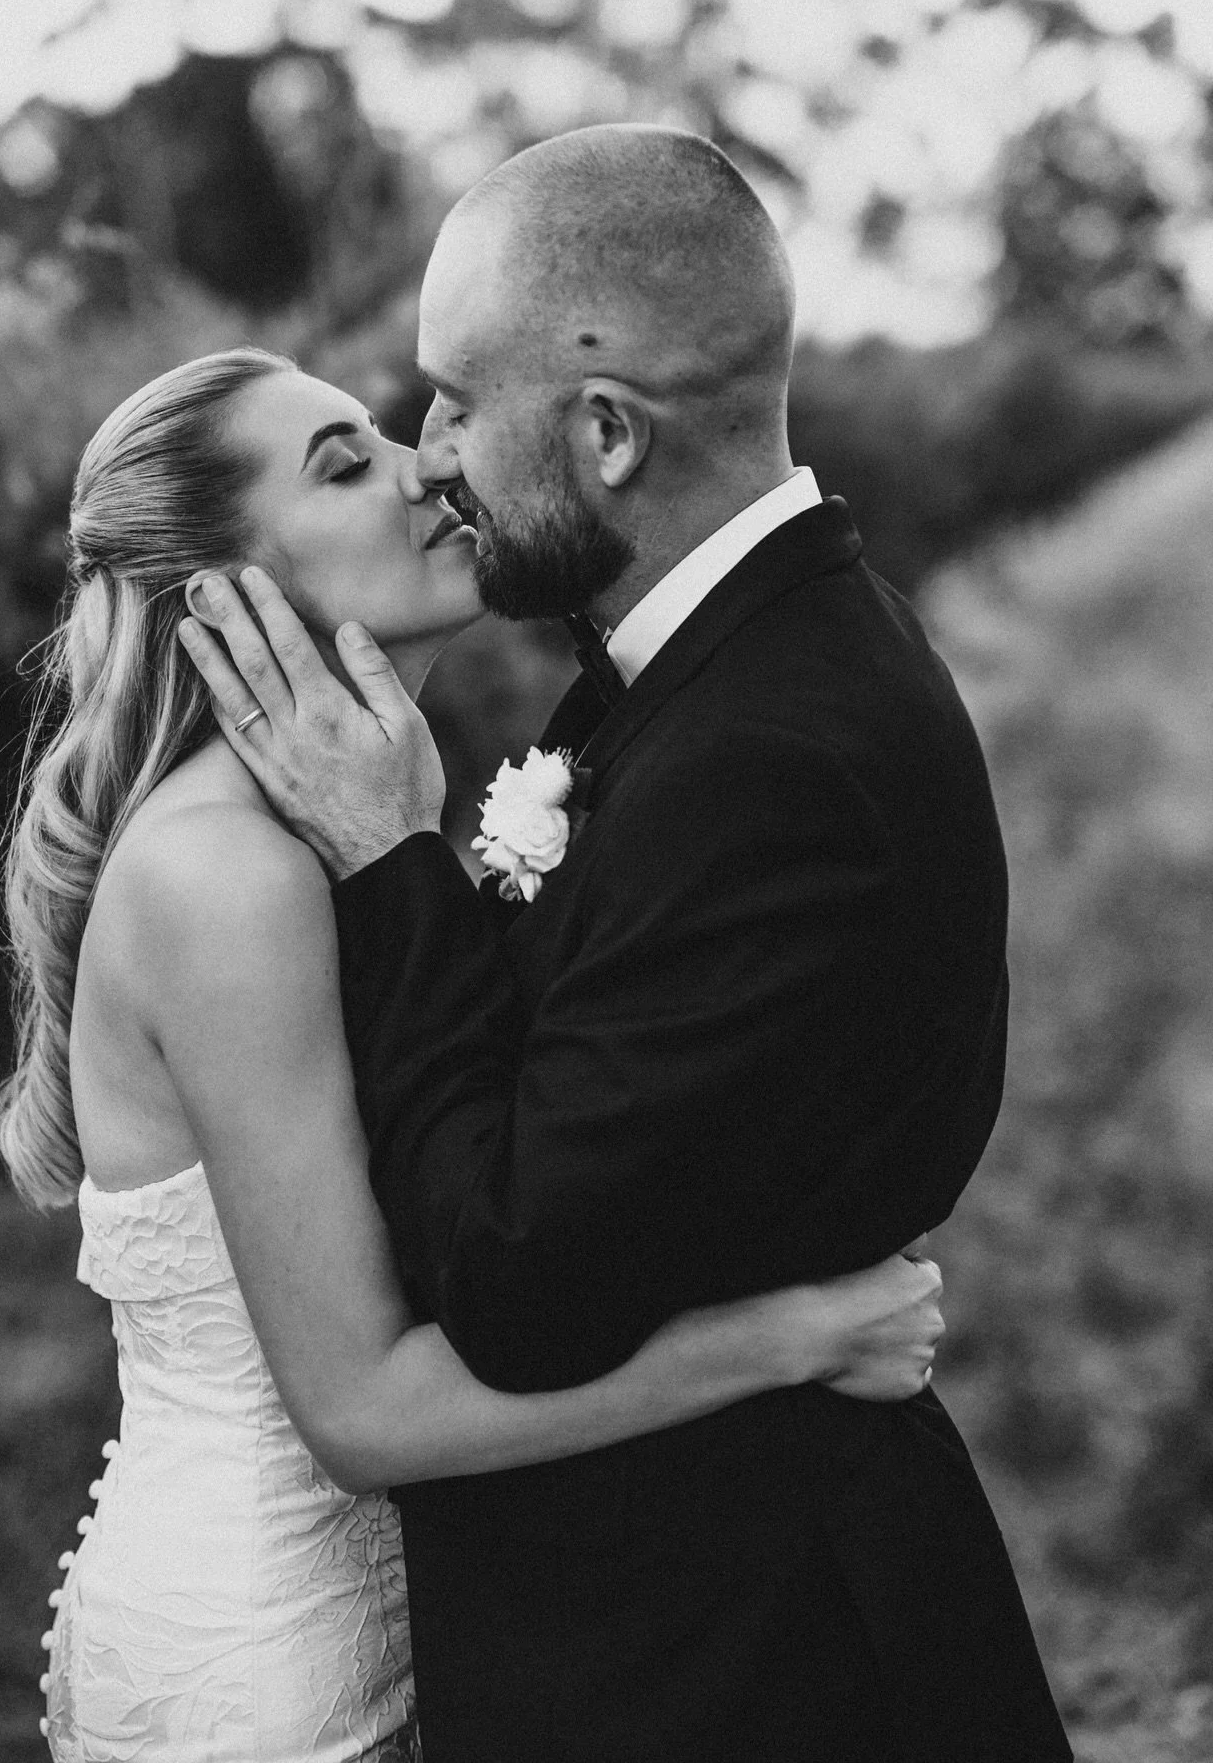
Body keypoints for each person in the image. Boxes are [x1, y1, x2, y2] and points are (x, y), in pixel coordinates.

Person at [181, 126, 1074, 1761]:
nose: (427, 452)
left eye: (456, 397)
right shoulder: (707, 669)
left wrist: (395, 864)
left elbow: (517, 1277)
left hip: (741, 1667)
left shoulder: (771, 754)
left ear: (602, 432)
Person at [0, 346, 948, 1763]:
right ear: (224, 597)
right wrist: (789, 1337)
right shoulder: (224, 882)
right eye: (344, 463)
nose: (426, 464)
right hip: (277, 1676)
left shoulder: (340, 833)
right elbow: (363, 1414)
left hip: (415, 1621)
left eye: (384, 435)